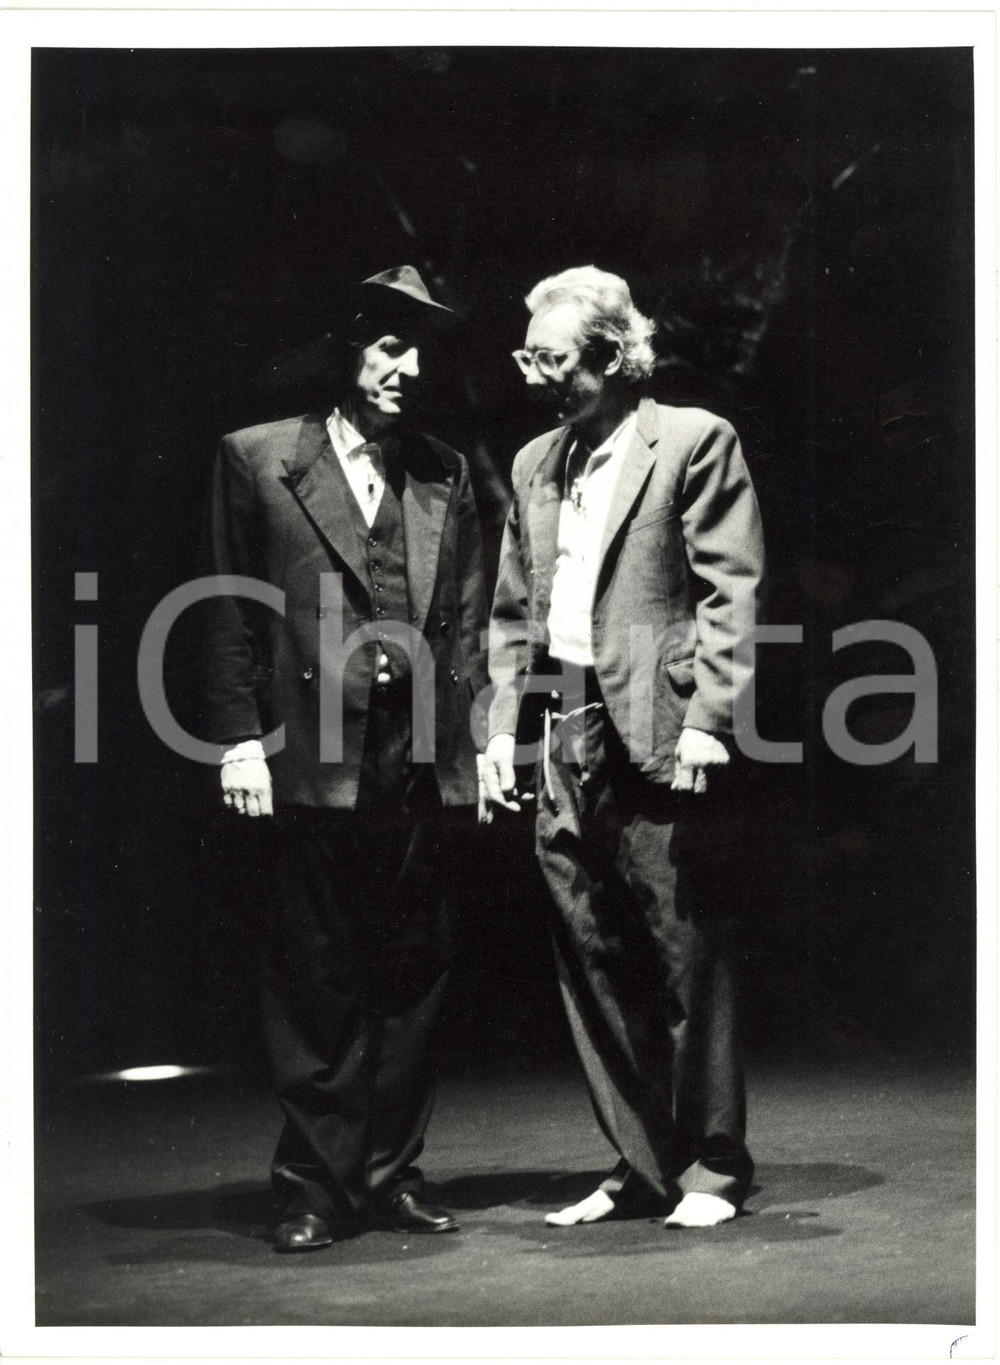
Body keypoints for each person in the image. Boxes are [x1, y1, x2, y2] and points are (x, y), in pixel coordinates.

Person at [202, 265, 489, 1251]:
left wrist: (480, 743)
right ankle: (315, 1184)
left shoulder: (446, 471)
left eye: (423, 352)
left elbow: (471, 631)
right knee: (313, 972)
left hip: (418, 759)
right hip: (312, 754)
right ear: (350, 351)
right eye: (389, 348)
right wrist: (239, 737)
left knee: (412, 973)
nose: (407, 369)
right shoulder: (258, 459)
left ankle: (388, 1171)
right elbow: (229, 612)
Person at [481, 265, 765, 1230]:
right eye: (528, 356)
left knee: (685, 952)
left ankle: (715, 1165)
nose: (532, 375)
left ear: (609, 356)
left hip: (660, 723)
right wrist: (505, 733)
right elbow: (520, 612)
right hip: (567, 727)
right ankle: (641, 1163)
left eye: (549, 358)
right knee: (592, 951)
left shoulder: (690, 440)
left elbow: (731, 590)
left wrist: (709, 720)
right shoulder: (534, 462)